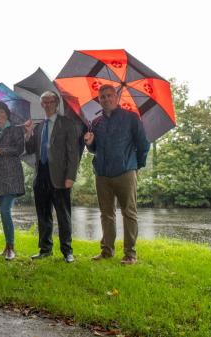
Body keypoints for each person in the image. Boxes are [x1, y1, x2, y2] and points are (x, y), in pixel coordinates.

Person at [84, 84, 150, 265]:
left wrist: (137, 166)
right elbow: (94, 149)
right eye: (102, 97)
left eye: (109, 95)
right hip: (102, 174)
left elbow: (144, 144)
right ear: (99, 100)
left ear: (116, 97)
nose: (106, 99)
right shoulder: (96, 123)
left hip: (125, 172)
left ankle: (130, 254)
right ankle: (107, 251)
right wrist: (89, 143)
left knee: (129, 213)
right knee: (106, 214)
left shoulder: (131, 118)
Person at [24, 91, 80, 263]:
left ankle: (67, 251)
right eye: (44, 102)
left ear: (57, 103)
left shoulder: (67, 123)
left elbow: (73, 152)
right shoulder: (39, 126)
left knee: (63, 215)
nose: (47, 104)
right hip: (40, 174)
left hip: (60, 176)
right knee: (43, 214)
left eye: (51, 101)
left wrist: (71, 176)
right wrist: (28, 134)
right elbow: (31, 149)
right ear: (42, 105)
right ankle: (45, 249)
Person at [0, 101, 25, 261]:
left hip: (11, 176)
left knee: (5, 211)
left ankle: (11, 248)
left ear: (6, 113)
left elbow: (19, 149)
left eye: (1, 112)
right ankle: (7, 246)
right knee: (3, 213)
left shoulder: (15, 129)